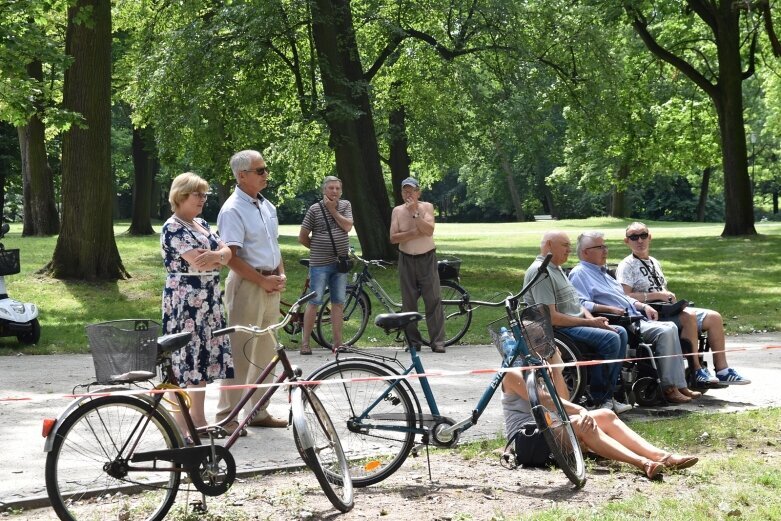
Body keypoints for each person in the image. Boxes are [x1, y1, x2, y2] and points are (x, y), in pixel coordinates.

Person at [502, 348, 698, 479]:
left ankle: (661, 456)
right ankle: (643, 463)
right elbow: (545, 400)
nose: (540, 345)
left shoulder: (539, 369)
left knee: (606, 415)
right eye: (534, 341)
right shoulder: (512, 372)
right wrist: (580, 410)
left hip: (550, 429)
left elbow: (563, 399)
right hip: (526, 438)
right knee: (580, 423)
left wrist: (555, 367)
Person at [569, 231, 700, 404]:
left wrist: (644, 306)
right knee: (666, 330)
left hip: (637, 316)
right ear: (586, 252)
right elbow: (581, 303)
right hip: (622, 322)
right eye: (600, 247)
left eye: (605, 246)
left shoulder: (604, 273)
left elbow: (625, 297)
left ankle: (679, 384)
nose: (605, 250)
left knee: (670, 326)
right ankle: (670, 388)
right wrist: (608, 308)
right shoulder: (580, 274)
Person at [616, 222, 750, 386]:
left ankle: (722, 370)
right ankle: (696, 370)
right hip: (650, 313)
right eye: (634, 237)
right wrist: (657, 295)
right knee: (689, 315)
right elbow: (624, 296)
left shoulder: (654, 262)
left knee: (714, 317)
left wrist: (669, 298)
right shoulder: (626, 265)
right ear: (626, 241)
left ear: (649, 237)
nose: (639, 240)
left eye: (643, 235)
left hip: (669, 309)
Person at [215, 150, 288, 434]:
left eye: (265, 169)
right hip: (248, 285)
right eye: (260, 170)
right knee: (241, 352)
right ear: (241, 175)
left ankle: (258, 411)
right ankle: (227, 416)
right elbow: (230, 257)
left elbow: (274, 246)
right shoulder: (232, 209)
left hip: (270, 284)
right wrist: (261, 280)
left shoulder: (266, 206)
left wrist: (280, 273)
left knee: (266, 351)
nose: (266, 175)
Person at [524, 231, 631, 413]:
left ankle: (608, 396)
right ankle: (600, 399)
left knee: (620, 331)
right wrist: (591, 324)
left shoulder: (556, 268)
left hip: (575, 322)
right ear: (549, 244)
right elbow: (552, 317)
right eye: (565, 245)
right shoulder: (540, 271)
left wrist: (594, 320)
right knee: (610, 339)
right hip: (558, 329)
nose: (570, 249)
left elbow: (578, 305)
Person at [161, 172, 234, 435]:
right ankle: (183, 425)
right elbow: (196, 260)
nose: (203, 199)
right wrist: (218, 256)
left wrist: (217, 255)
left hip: (209, 298)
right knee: (185, 359)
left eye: (205, 194)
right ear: (181, 196)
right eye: (198, 194)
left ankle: (199, 420)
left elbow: (227, 253)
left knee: (203, 358)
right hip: (186, 300)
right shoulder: (172, 227)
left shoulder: (201, 223)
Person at [298, 176, 354, 354]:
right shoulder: (314, 209)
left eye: (337, 188)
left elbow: (348, 227)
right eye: (331, 188)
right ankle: (305, 343)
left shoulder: (345, 206)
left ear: (341, 191)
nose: (334, 191)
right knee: (314, 302)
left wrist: (333, 211)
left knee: (338, 302)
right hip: (319, 264)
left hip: (340, 263)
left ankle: (338, 343)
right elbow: (303, 236)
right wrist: (317, 248)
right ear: (324, 190)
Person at [389, 176, 445, 353]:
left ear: (418, 192)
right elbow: (393, 238)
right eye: (405, 190)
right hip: (406, 259)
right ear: (401, 193)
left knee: (433, 300)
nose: (408, 193)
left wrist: (415, 213)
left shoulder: (426, 207)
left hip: (427, 258)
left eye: (411, 190)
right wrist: (415, 231)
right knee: (409, 302)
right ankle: (413, 341)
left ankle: (437, 341)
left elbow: (429, 231)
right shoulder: (397, 211)